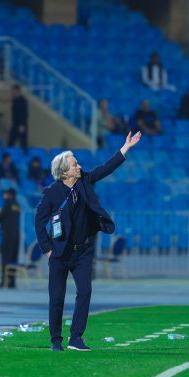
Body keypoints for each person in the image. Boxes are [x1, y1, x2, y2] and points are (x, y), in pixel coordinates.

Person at [35, 131, 141, 351]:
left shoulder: (84, 181)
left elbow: (105, 168)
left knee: (85, 292)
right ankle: (56, 340)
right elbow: (39, 222)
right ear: (64, 172)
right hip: (59, 253)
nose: (79, 166)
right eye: (75, 164)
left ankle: (76, 338)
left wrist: (125, 148)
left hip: (82, 251)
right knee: (57, 297)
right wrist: (47, 249)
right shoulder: (51, 193)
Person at [0, 188, 21, 288]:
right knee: (13, 259)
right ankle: (12, 282)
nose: (4, 196)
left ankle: (4, 282)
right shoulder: (17, 205)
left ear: (9, 195)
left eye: (5, 194)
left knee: (5, 259)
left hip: (7, 235)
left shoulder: (7, 205)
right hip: (16, 235)